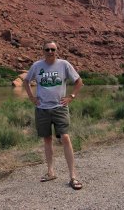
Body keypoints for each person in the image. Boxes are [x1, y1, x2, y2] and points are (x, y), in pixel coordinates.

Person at [23, 40, 84, 190]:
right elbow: (26, 81)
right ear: (42, 51)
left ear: (57, 50)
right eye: (47, 49)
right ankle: (51, 172)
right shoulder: (37, 66)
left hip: (60, 107)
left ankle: (73, 176)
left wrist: (71, 97)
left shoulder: (64, 64)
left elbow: (79, 81)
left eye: (53, 49)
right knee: (47, 139)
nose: (50, 52)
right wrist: (32, 97)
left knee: (65, 137)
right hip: (42, 109)